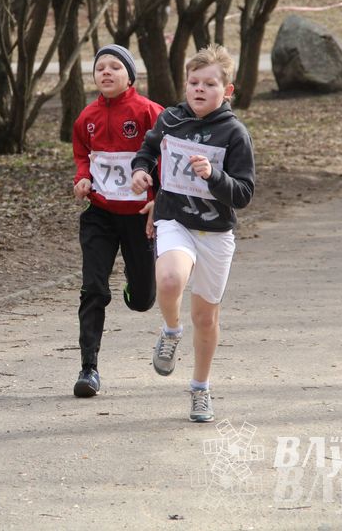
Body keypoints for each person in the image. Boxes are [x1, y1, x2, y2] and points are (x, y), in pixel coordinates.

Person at [131, 44, 255, 422]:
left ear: (227, 91)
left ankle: (200, 389)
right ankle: (170, 330)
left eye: (210, 84)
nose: (199, 89)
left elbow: (244, 193)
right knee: (169, 280)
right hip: (175, 220)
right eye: (193, 82)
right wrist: (141, 171)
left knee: (206, 318)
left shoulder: (234, 133)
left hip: (215, 232)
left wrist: (213, 176)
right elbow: (148, 151)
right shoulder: (170, 120)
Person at [72, 44, 164, 398]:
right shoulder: (87, 116)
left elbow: (167, 156)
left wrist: (158, 198)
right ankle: (88, 368)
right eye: (100, 68)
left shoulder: (148, 112)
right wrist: (83, 177)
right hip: (100, 214)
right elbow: (82, 151)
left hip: (139, 216)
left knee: (142, 299)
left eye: (114, 66)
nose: (106, 72)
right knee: (93, 289)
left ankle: (134, 285)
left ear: (129, 75)